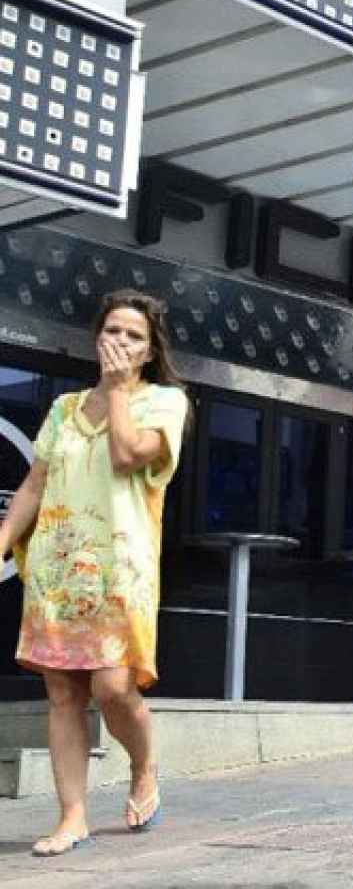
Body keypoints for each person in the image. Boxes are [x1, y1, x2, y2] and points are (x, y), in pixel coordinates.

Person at [4, 290, 190, 856]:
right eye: (113, 331)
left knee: (112, 686)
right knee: (62, 692)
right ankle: (72, 816)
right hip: (57, 571)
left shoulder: (164, 402)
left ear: (150, 350)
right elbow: (35, 483)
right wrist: (5, 540)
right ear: (97, 336)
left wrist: (114, 392)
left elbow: (129, 455)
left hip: (119, 570)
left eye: (134, 336)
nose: (121, 342)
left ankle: (143, 767)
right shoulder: (62, 408)